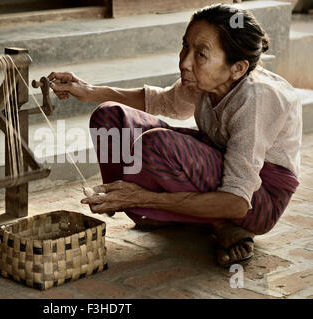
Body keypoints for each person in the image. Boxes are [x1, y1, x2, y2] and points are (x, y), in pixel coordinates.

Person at [47, 4, 302, 267]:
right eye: (185, 47)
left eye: (201, 54)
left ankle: (212, 221)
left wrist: (144, 197)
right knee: (109, 118)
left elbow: (238, 202)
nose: (184, 63)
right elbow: (164, 102)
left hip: (258, 200)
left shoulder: (256, 99)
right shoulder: (207, 80)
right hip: (219, 164)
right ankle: (153, 208)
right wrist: (89, 91)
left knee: (156, 144)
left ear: (237, 68)